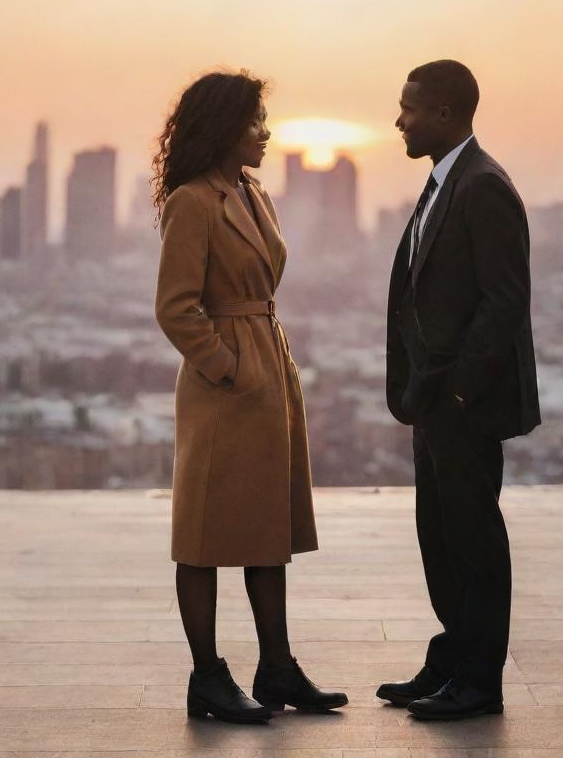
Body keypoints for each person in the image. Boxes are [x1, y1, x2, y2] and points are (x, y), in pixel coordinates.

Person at [153, 69, 348, 724]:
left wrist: (258, 366)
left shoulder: (252, 190)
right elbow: (176, 308)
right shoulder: (193, 200)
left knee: (267, 527)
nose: (266, 133)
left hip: (267, 363)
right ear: (225, 126)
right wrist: (228, 367)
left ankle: (277, 667)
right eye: (256, 121)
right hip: (225, 383)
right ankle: (207, 676)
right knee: (203, 532)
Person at [376, 59, 541, 721]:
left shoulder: (482, 187)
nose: (399, 119)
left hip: (461, 404)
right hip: (435, 400)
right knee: (439, 535)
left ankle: (478, 682)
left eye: (409, 107)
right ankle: (452, 662)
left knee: (473, 538)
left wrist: (463, 394)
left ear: (445, 113)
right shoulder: (447, 181)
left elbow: (505, 302)